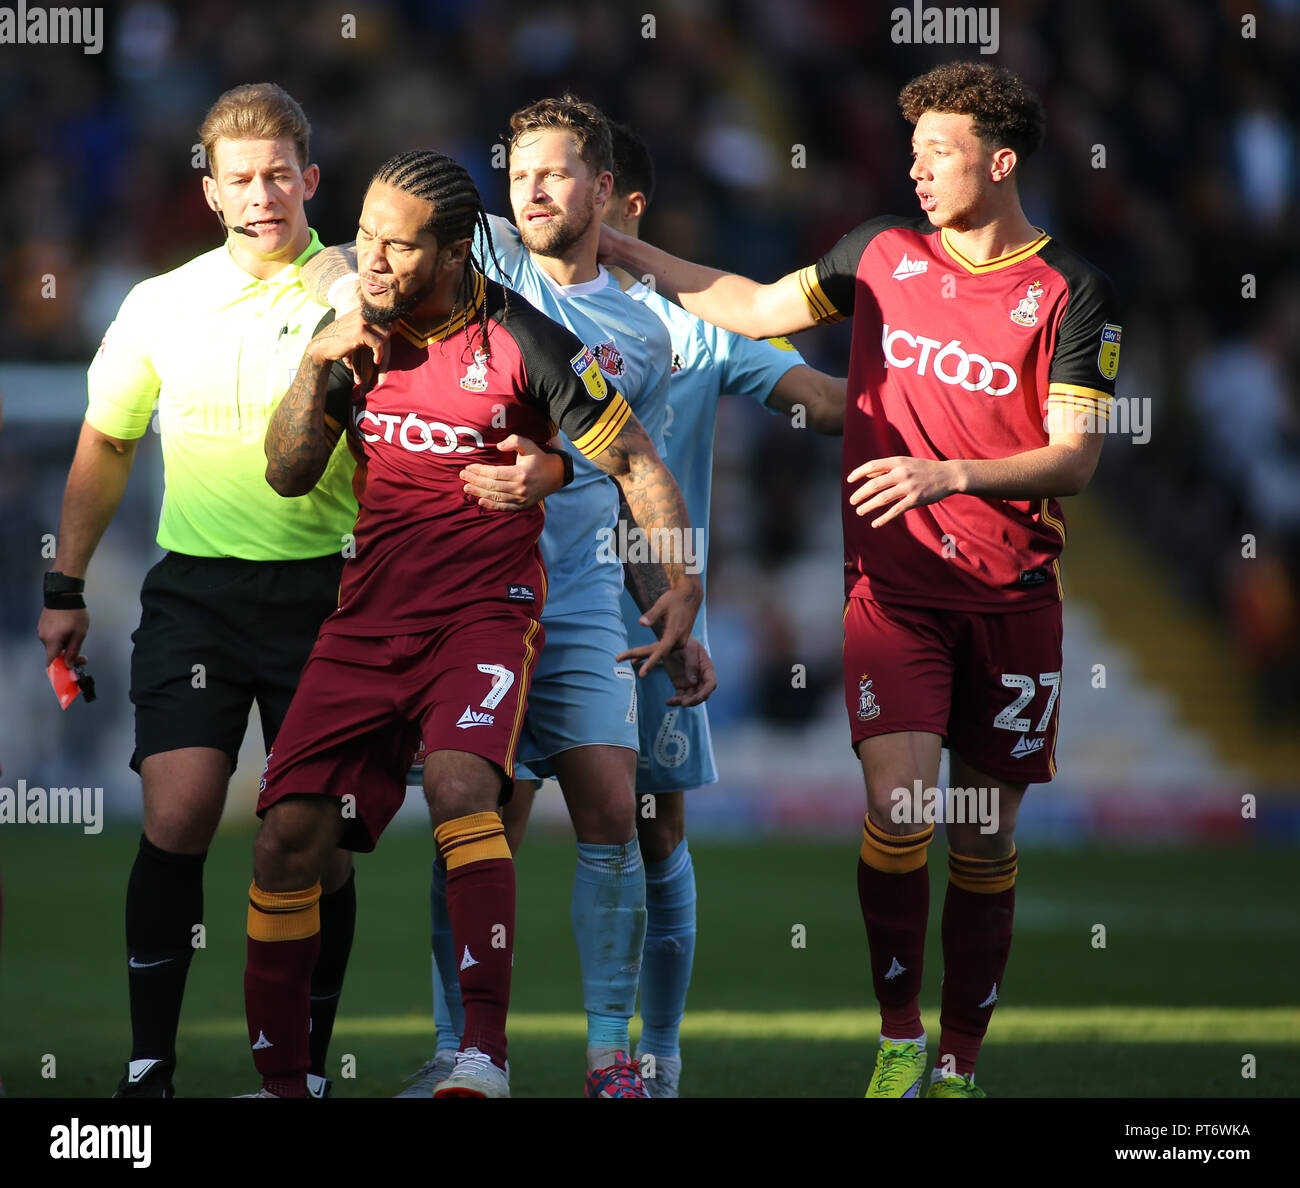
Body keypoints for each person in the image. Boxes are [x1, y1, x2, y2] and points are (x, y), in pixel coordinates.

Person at [597, 61, 1123, 1098]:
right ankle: (897, 1035)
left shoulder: (1070, 292)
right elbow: (750, 304)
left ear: (1000, 160)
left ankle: (961, 1060)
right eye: (914, 149)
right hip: (895, 592)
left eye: (940, 150)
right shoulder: (878, 253)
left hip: (1014, 598)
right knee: (896, 811)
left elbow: (1076, 456)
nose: (918, 169)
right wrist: (618, 248)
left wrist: (951, 473)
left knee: (984, 838)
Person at [244, 147, 700, 1099]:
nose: (370, 261)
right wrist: (312, 363)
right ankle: (286, 1083)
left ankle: (481, 1060)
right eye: (364, 237)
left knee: (463, 788)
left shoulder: (527, 341)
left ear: (456, 253)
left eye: (397, 247)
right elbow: (286, 472)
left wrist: (681, 587)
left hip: (485, 615)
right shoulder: (354, 331)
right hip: (367, 616)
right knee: (286, 833)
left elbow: (640, 466)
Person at [34, 83, 380, 1100]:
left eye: (280, 173)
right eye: (242, 178)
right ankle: (150, 1066)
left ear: (310, 179)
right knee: (180, 814)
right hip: (196, 597)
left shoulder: (358, 287)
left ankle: (304, 1072)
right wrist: (66, 582)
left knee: (309, 840)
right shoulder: (159, 303)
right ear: (213, 192)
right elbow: (106, 439)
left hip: (331, 595)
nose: (264, 193)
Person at [534, 118, 846, 1098]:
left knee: (656, 831)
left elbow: (826, 404)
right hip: (524, 594)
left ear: (622, 202)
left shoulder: (707, 334)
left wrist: (932, 359)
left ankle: (655, 1057)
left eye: (590, 190)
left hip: (659, 611)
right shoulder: (514, 305)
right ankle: (473, 1055)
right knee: (483, 819)